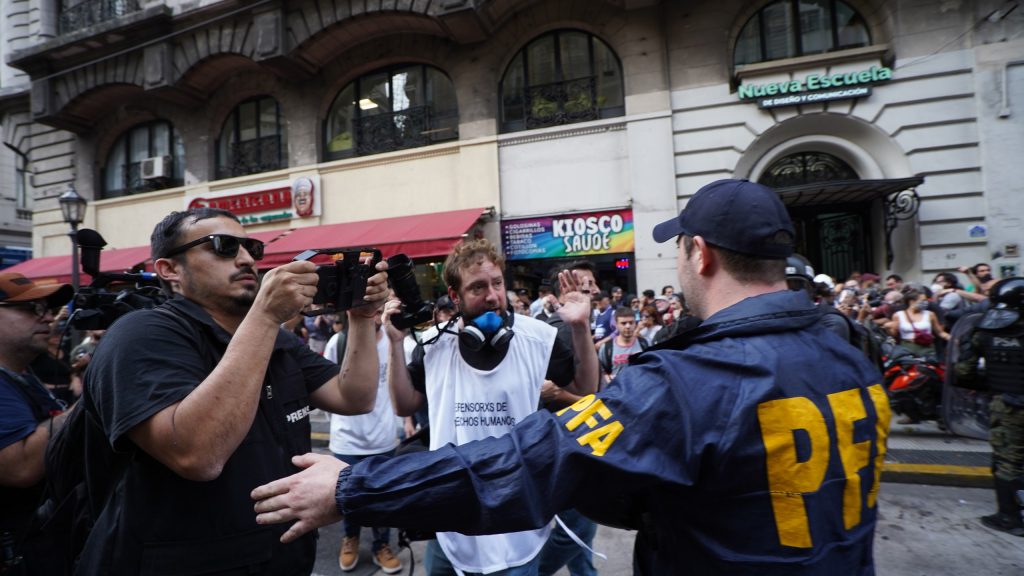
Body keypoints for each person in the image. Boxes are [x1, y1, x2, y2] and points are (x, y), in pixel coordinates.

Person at [252, 179, 890, 575]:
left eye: (678, 249)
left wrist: (355, 486)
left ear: (700, 254)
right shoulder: (854, 359)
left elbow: (533, 462)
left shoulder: (685, 379)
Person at [77, 207, 390, 575]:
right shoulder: (141, 335)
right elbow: (198, 455)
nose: (245, 259)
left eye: (251, 248)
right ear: (169, 269)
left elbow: (354, 397)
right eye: (223, 246)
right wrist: (266, 315)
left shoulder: (277, 340)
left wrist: (361, 318)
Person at [381, 238, 595, 575]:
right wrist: (395, 344)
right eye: (478, 287)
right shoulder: (434, 344)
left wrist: (581, 327)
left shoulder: (537, 338)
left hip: (517, 526)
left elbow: (585, 389)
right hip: (451, 525)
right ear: (455, 296)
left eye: (497, 283)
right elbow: (404, 404)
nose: (493, 296)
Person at [0, 273, 74, 567]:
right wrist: (93, 398)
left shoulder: (23, 375)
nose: (48, 318)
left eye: (48, 309)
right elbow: (19, 468)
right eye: (32, 308)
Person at [325, 310, 402, 573]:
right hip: (346, 440)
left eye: (379, 311)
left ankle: (382, 544)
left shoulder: (396, 341)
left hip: (383, 439)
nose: (375, 316)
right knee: (347, 498)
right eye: (370, 310)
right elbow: (326, 385)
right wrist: (339, 424)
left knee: (384, 499)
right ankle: (350, 538)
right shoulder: (338, 342)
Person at [954, 277, 1024, 537]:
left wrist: (988, 383)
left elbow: (964, 371)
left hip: (1007, 405)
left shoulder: (985, 331)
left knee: (1008, 461)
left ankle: (1010, 517)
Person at [887, 288, 949, 358]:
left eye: (926, 300)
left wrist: (952, 339)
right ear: (912, 302)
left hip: (927, 348)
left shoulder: (930, 314)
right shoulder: (898, 315)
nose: (926, 303)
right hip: (907, 348)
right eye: (923, 300)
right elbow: (894, 335)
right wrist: (888, 328)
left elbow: (940, 333)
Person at [599, 307, 647, 382]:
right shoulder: (607, 348)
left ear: (635, 323)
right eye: (623, 323)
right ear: (616, 325)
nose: (628, 326)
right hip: (617, 388)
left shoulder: (644, 343)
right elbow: (601, 370)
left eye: (631, 323)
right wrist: (607, 378)